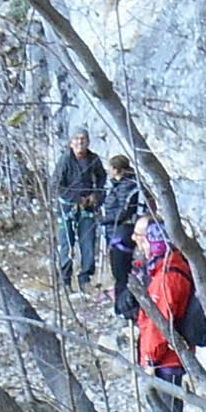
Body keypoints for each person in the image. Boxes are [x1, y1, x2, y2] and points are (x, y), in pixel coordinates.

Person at [134, 214, 203, 412]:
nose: (141, 246)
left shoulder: (169, 276)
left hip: (166, 360)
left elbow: (159, 323)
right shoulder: (168, 270)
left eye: (145, 241)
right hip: (166, 357)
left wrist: (150, 359)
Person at [53, 131, 106, 292]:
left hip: (88, 207)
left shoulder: (94, 159)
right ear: (71, 142)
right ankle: (65, 280)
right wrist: (76, 198)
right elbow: (56, 185)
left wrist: (96, 196)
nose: (80, 142)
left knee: (88, 242)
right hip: (68, 207)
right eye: (76, 139)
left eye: (83, 139)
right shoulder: (65, 160)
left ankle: (85, 279)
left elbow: (101, 179)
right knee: (67, 244)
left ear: (88, 141)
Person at [99, 154, 145, 318]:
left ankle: (123, 309)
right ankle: (124, 306)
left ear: (116, 169)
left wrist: (104, 220)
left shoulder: (127, 186)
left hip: (121, 233)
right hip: (117, 231)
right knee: (121, 273)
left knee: (121, 274)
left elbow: (124, 211)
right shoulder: (119, 184)